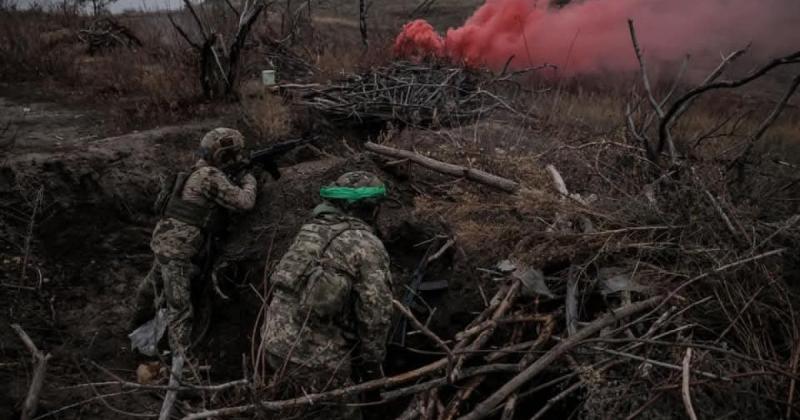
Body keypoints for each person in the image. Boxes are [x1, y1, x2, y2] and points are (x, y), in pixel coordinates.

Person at [262, 171, 393, 419]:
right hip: (316, 359)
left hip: (273, 343)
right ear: (372, 208)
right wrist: (372, 363)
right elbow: (376, 313)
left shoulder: (310, 230)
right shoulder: (366, 244)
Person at [130, 127, 258, 356]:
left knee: (148, 290)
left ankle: (134, 334)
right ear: (222, 155)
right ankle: (181, 371)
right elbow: (245, 202)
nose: (238, 158)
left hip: (163, 245)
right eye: (234, 154)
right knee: (180, 309)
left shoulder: (194, 171)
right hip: (178, 252)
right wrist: (250, 180)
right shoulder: (209, 176)